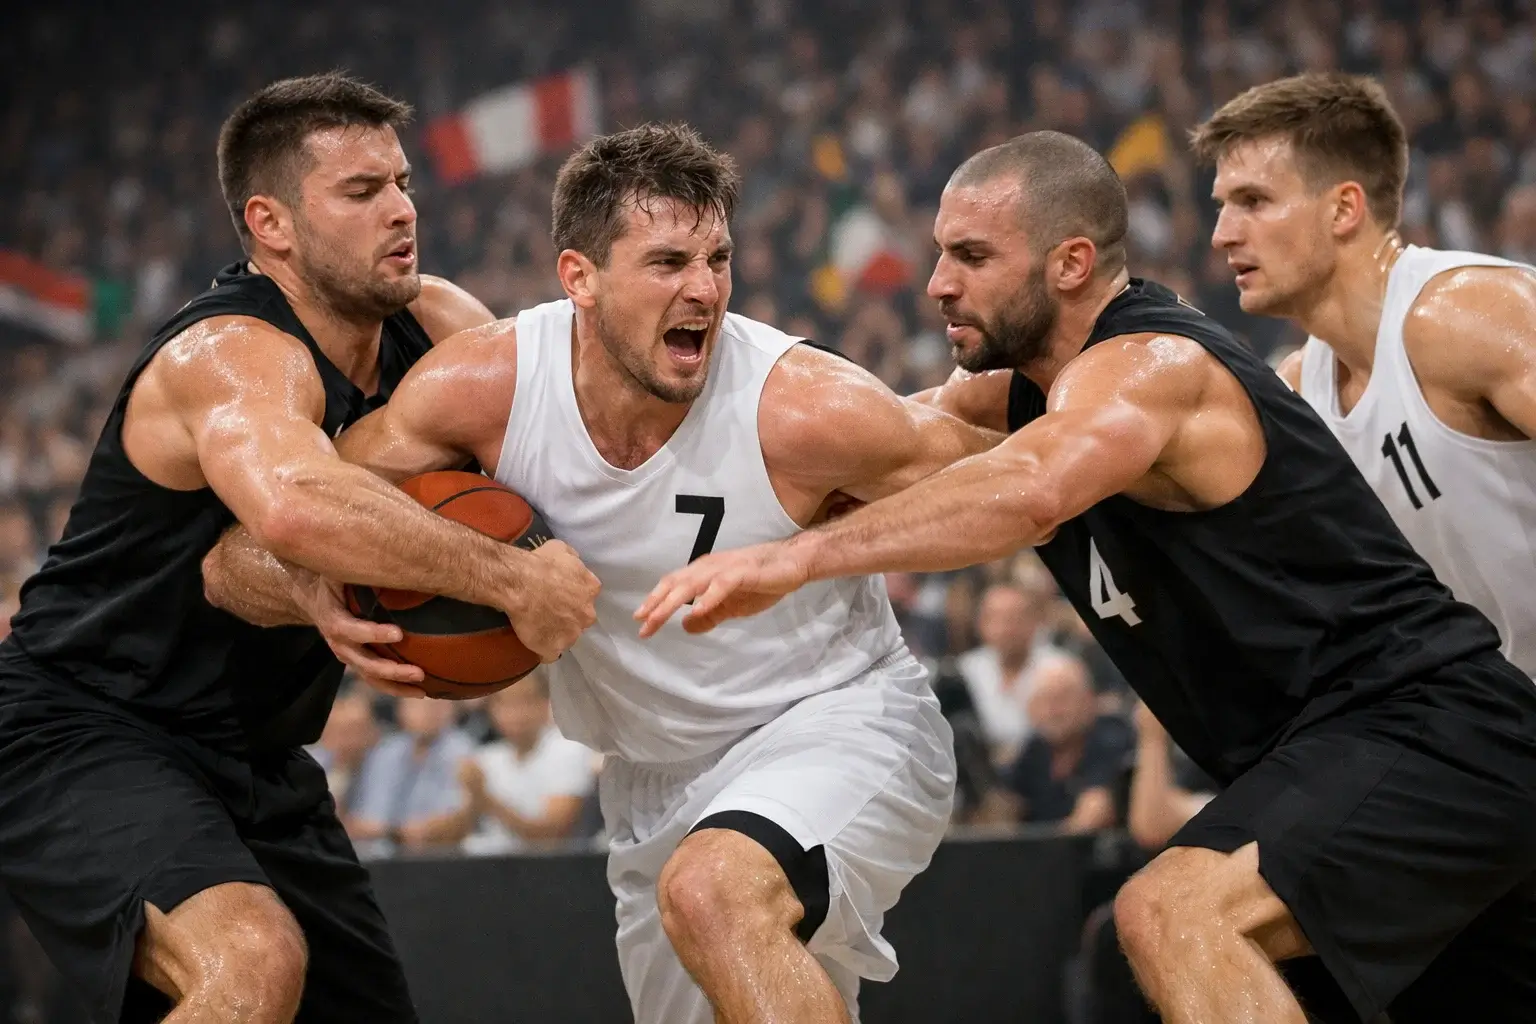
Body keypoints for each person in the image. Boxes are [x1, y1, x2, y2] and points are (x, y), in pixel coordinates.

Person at [635, 130, 1536, 1024]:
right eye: (941, 254)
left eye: (972, 256)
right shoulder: (1018, 391)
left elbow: (1031, 491)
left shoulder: (1157, 367)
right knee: (1169, 947)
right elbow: (873, 452)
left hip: (1430, 732)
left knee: (1175, 915)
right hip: (1332, 761)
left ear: (1070, 264)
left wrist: (793, 560)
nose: (939, 284)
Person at [206, 122, 999, 1024]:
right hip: (652, 775)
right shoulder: (485, 389)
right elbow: (235, 560)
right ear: (579, 278)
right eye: (667, 262)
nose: (703, 288)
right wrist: (317, 594)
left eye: (718, 258)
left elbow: (997, 485)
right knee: (716, 914)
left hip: (839, 718)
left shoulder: (801, 405)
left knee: (716, 893)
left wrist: (815, 548)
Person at [0, 73, 598, 1024]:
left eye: (402, 183)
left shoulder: (437, 324)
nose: (402, 210)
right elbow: (293, 507)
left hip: (262, 752)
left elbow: (574, 456)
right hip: (86, 725)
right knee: (251, 961)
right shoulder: (229, 353)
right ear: (270, 223)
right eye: (361, 194)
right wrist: (509, 575)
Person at [1195, 71, 1536, 681]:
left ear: (1345, 208)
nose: (1222, 234)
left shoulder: (1467, 315)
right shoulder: (1301, 389)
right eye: (1222, 206)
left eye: (1253, 201)